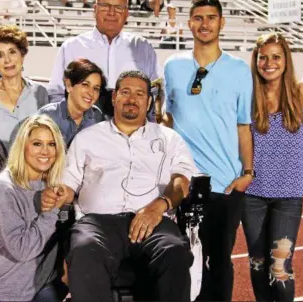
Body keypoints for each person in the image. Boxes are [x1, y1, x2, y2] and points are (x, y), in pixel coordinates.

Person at [41, 70, 196, 301]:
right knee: (84, 249)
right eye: (125, 92)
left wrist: (159, 206)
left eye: (139, 93)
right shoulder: (87, 138)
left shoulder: (169, 138)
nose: (132, 99)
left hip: (155, 221)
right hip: (97, 223)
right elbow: (69, 182)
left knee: (174, 252)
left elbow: (181, 180)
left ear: (149, 101)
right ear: (114, 98)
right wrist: (59, 194)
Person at [163, 0, 254, 301]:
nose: (204, 24)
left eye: (211, 18)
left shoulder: (240, 70)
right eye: (198, 18)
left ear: (221, 23)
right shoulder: (172, 67)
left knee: (219, 261)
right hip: (184, 182)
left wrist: (248, 172)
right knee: (186, 258)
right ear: (190, 23)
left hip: (226, 184)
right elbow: (168, 120)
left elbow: (244, 126)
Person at [0, 25, 49, 266]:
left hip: (34, 187)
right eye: (0, 54)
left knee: (33, 251)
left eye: (12, 52)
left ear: (23, 53)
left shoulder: (41, 93)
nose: (7, 60)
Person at [242, 33, 303, 302]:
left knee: (280, 266)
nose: (269, 63)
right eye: (263, 57)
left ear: (286, 60)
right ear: (255, 60)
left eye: (276, 57)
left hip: (289, 194)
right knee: (257, 263)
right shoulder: (247, 96)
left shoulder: (302, 93)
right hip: (253, 193)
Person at [0, 114, 68, 302]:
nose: (45, 151)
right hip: (7, 291)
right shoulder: (4, 189)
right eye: (37, 144)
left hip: (42, 283)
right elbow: (22, 250)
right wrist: (51, 210)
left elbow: (61, 228)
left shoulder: (53, 184)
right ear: (23, 147)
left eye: (51, 144)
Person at [47, 0, 161, 121]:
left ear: (127, 14)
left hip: (132, 130)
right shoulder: (72, 47)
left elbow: (155, 91)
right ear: (94, 10)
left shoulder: (143, 47)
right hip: (82, 130)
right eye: (105, 6)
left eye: (119, 7)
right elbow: (56, 93)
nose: (111, 13)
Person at [38, 58, 106, 147]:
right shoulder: (47, 116)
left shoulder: (97, 116)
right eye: (85, 85)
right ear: (69, 85)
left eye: (96, 88)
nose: (91, 93)